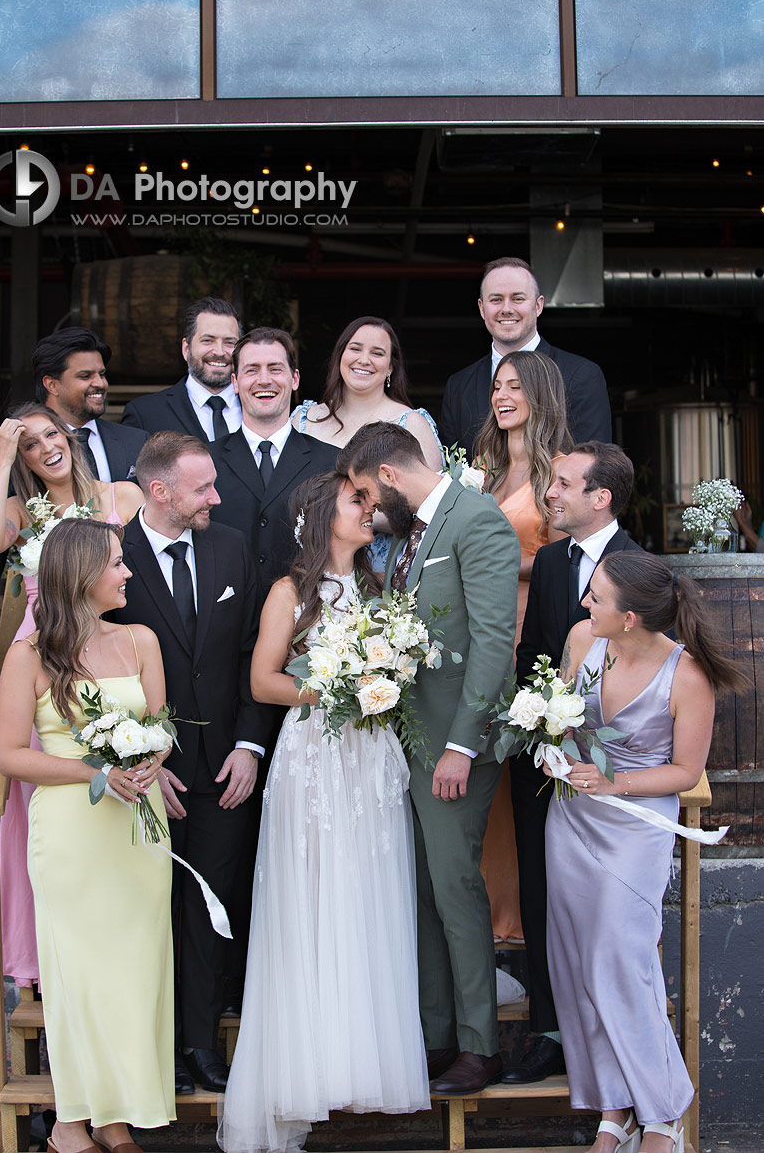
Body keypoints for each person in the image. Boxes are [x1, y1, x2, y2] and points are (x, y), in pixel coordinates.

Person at [220, 470, 430, 1153]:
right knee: (312, 898)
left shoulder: (380, 588)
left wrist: (384, 685)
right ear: (321, 516)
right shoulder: (290, 592)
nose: (369, 512)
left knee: (366, 896)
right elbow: (262, 679)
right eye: (356, 502)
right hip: (314, 755)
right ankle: (302, 1068)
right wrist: (336, 689)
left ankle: (358, 1057)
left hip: (369, 758)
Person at [546, 550, 747, 1153]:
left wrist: (613, 783)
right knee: (579, 962)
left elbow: (686, 771)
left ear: (629, 617)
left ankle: (664, 1112)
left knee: (622, 962)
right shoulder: (583, 640)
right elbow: (557, 715)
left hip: (634, 823)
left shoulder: (686, 676)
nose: (586, 605)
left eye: (597, 597)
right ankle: (615, 1109)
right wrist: (548, 743)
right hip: (572, 818)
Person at [341, 423, 520, 1095]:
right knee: (417, 892)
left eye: (364, 491)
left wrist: (460, 744)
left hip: (454, 746)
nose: (364, 507)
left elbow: (493, 641)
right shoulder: (412, 532)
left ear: (388, 473)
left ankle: (481, 1044)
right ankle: (435, 1035)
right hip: (406, 741)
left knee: (454, 887)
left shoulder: (477, 521)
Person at [0, 517, 175, 1153]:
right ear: (83, 574)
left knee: (135, 970)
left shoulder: (141, 641)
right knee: (80, 975)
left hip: (138, 831)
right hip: (73, 831)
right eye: (119, 563)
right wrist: (89, 769)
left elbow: (161, 725)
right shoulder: (30, 654)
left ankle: (116, 1116)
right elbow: (10, 754)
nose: (128, 573)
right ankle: (74, 1124)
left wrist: (154, 759)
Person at [110, 431, 270, 1096]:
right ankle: (152, 1051)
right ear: (160, 491)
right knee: (143, 913)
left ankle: (201, 1045)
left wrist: (249, 745)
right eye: (202, 487)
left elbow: (252, 656)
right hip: (143, 776)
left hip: (223, 768)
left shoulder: (231, 544)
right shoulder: (108, 555)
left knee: (210, 907)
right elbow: (93, 661)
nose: (217, 496)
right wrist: (145, 756)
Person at [0, 402, 145, 987]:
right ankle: (43, 958)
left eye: (52, 435)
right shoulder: (24, 510)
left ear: (69, 436)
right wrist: (0, 459)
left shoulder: (120, 495)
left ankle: (111, 944)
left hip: (105, 647)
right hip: (42, 652)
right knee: (36, 801)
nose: (45, 448)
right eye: (29, 445)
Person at [505, 442, 642, 1085]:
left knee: (602, 905)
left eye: (561, 484)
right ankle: (548, 1027)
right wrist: (534, 725)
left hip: (611, 771)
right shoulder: (554, 560)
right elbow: (534, 649)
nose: (549, 494)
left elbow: (649, 671)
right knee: (539, 889)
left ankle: (607, 1027)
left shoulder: (641, 569)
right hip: (543, 759)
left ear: (600, 497)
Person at [0, 326, 148, 687]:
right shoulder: (15, 482)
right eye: (85, 375)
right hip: (47, 638)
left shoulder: (134, 444)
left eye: (102, 374)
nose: (100, 383)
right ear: (52, 384)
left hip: (125, 627)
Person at [474, 349, 570, 945]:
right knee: (490, 788)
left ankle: (526, 925)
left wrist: (497, 562)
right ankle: (493, 917)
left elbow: (564, 560)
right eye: (497, 386)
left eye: (516, 386)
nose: (502, 395)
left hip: (529, 636)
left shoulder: (558, 472)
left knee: (525, 784)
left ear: (541, 394)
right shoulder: (482, 470)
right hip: (482, 635)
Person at [291, 315, 442, 569]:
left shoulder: (412, 423)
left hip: (383, 572)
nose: (364, 359)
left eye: (377, 353)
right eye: (355, 348)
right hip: (311, 564)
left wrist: (356, 517)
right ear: (340, 355)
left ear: (391, 367)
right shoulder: (302, 420)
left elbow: (430, 508)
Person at [209, 328, 339, 604]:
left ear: (294, 379)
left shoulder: (331, 462)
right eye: (252, 370)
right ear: (234, 382)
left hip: (307, 626)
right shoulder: (206, 460)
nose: (264, 380)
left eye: (275, 369)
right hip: (224, 628)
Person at [439, 257, 612, 455]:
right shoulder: (459, 386)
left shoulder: (582, 375)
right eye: (496, 299)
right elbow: (450, 470)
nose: (506, 309)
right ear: (481, 308)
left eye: (517, 299)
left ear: (538, 306)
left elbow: (595, 468)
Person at [121, 296, 242, 439]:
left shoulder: (263, 407)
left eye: (229, 342)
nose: (219, 352)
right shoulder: (144, 414)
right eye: (208, 340)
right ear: (186, 349)